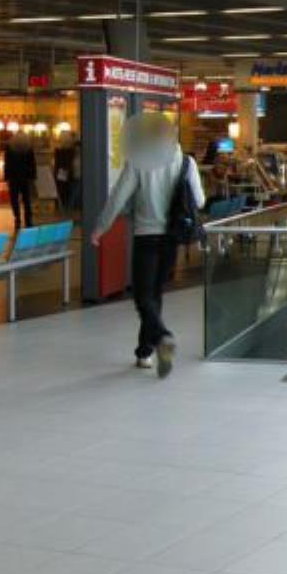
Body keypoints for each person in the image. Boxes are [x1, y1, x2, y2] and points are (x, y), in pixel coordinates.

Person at [91, 113, 204, 378]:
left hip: (146, 236)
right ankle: (145, 352)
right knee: (154, 294)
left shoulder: (138, 161)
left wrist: (100, 228)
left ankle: (162, 336)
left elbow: (118, 198)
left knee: (143, 297)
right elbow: (199, 201)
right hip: (172, 236)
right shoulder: (186, 162)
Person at [3, 132, 37, 229]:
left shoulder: (9, 147)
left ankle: (17, 218)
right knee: (27, 199)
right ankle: (28, 219)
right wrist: (33, 176)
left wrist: (6, 177)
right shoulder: (28, 148)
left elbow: (7, 163)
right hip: (26, 177)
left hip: (13, 177)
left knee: (14, 199)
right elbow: (32, 163)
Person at [53, 134, 76, 213]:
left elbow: (57, 163)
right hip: (68, 171)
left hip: (60, 171)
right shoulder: (71, 151)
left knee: (60, 189)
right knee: (67, 189)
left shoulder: (58, 151)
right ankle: (66, 205)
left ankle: (61, 206)